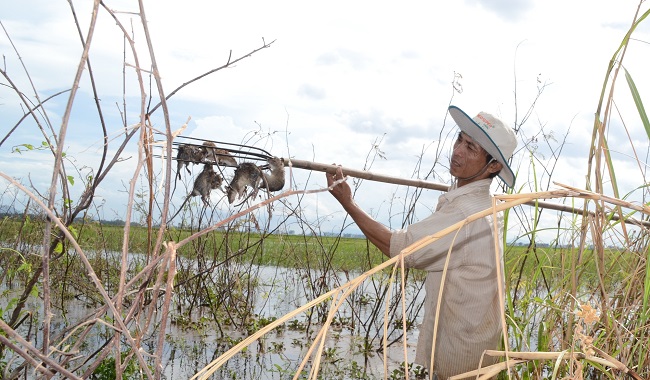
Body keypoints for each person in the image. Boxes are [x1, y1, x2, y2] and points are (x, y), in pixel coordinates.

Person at [326, 105, 518, 379]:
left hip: (460, 353)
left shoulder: (465, 213)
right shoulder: (483, 204)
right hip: (477, 344)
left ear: (494, 166)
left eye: (471, 148)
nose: (458, 152)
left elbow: (402, 249)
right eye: (460, 140)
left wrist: (349, 203)